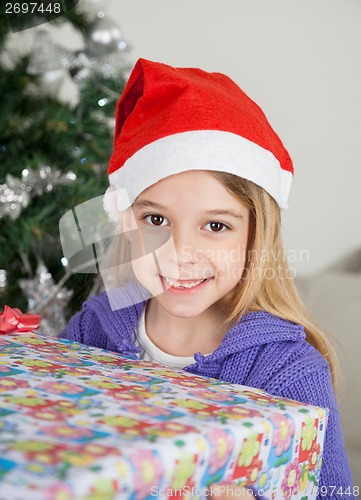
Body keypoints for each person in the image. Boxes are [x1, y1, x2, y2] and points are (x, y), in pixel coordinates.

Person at [60, 58, 354, 499]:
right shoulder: (92, 329)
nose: (180, 254)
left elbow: (334, 492)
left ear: (257, 236)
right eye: (156, 219)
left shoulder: (289, 375)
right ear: (125, 222)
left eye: (216, 226)